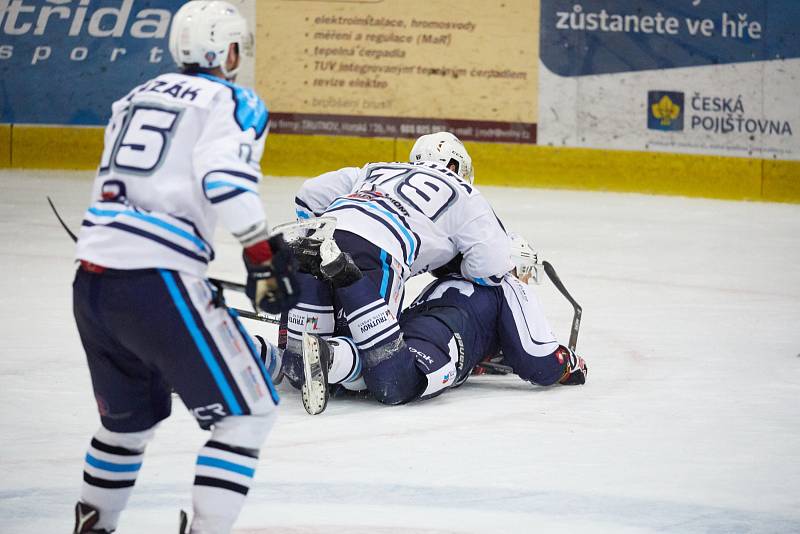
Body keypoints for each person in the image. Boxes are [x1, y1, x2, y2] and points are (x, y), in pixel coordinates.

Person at [70, 2, 298, 533]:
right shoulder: (233, 99)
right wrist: (261, 256)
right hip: (157, 283)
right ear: (228, 50)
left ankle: (92, 527)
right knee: (248, 414)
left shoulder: (131, 98)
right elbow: (224, 181)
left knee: (126, 427)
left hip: (91, 281)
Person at [284, 132, 513, 413]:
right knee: (374, 366)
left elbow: (308, 195)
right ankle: (333, 350)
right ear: (455, 165)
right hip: (378, 250)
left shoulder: (376, 169)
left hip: (328, 233)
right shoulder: (463, 192)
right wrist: (456, 265)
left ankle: (264, 349)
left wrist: (314, 230)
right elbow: (493, 266)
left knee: (298, 368)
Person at [299, 234, 588, 409]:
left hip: (407, 330)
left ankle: (320, 356)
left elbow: (485, 330)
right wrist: (569, 364)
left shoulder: (448, 280)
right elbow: (535, 360)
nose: (525, 280)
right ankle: (330, 356)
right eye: (524, 272)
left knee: (373, 371)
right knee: (397, 383)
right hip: (438, 344)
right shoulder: (507, 285)